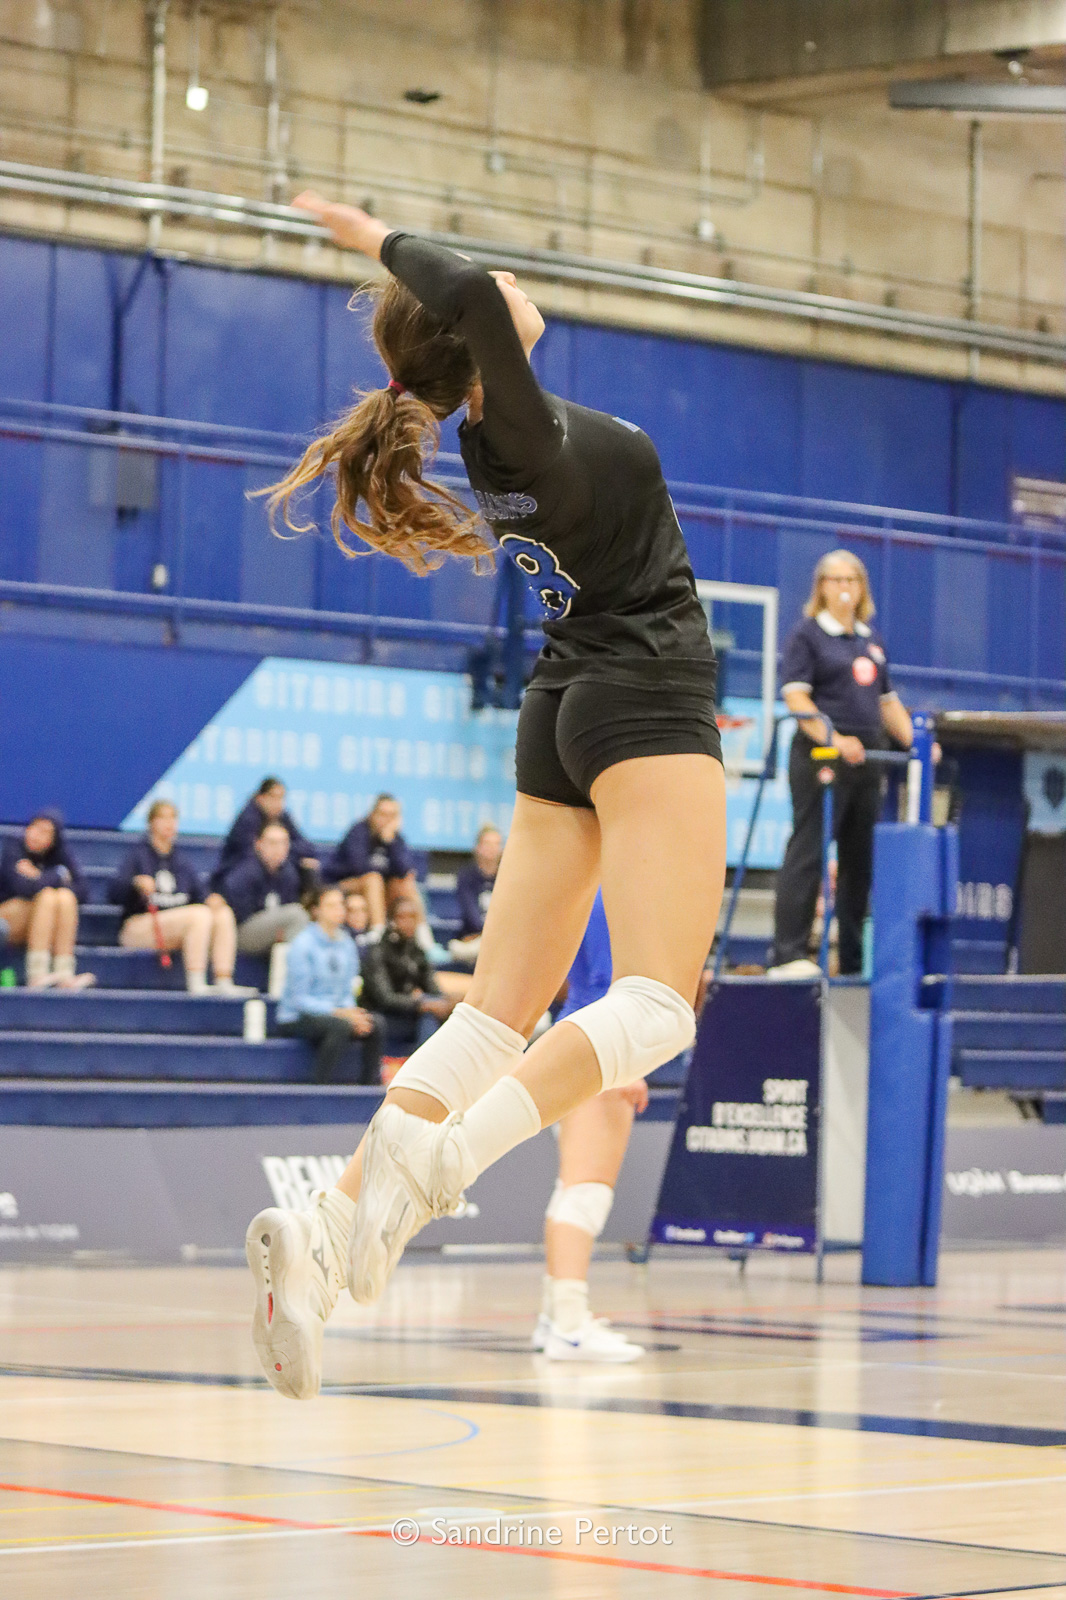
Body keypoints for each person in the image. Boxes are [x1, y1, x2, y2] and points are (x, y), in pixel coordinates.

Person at [245, 193, 725, 1402]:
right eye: (496, 288)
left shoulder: (497, 428)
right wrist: (368, 239)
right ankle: (444, 1163)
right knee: (660, 1005)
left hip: (563, 709)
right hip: (641, 694)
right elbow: (460, 290)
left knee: (492, 1018)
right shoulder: (506, 421)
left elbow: (466, 305)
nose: (511, 283)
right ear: (480, 340)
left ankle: (334, 1228)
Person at [769, 549, 914, 978]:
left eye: (852, 579)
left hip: (869, 761)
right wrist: (836, 738)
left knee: (860, 862)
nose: (845, 587)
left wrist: (920, 743)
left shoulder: (871, 641)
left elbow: (887, 704)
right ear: (821, 588)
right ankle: (789, 954)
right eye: (836, 580)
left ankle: (852, 961)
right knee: (809, 851)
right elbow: (796, 698)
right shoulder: (807, 636)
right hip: (822, 759)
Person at [533, 893, 645, 1363]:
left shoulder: (594, 882)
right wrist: (622, 1063)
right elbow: (603, 983)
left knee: (572, 1190)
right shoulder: (607, 891)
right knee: (586, 1193)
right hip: (596, 1043)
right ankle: (570, 1327)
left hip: (581, 1037)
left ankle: (556, 1317)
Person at [111, 799, 249, 995]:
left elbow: (199, 894)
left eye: (173, 818)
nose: (169, 823)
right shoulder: (137, 856)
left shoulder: (181, 861)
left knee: (223, 913)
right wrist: (135, 883)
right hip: (139, 926)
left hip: (175, 926)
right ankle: (196, 980)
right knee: (199, 915)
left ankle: (223, 979)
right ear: (151, 823)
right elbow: (114, 893)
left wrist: (211, 899)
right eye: (163, 817)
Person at [275, 884, 381, 1084]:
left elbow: (347, 990)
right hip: (297, 1017)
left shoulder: (347, 944)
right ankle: (320, 1086)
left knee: (375, 1024)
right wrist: (340, 1013)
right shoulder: (302, 944)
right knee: (339, 1026)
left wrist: (351, 1011)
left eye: (340, 905)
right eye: (331, 905)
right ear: (317, 910)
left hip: (335, 1013)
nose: (338, 910)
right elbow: (301, 1001)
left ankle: (369, 1089)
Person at [0, 812, 93, 989]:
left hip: (42, 924)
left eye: (44, 832)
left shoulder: (60, 855)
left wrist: (38, 877)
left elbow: (83, 892)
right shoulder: (13, 847)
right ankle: (37, 974)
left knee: (65, 898)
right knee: (46, 896)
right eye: (34, 828)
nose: (36, 835)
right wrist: (57, 876)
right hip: (9, 920)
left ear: (53, 840)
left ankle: (64, 974)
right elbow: (22, 888)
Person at [359, 897, 457, 1051]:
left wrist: (445, 1002)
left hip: (410, 1014)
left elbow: (433, 989)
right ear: (391, 921)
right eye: (402, 917)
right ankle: (426, 1066)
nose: (408, 922)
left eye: (413, 917)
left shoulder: (417, 951)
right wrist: (419, 1003)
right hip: (383, 1017)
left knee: (448, 1011)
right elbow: (386, 999)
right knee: (429, 1016)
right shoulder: (377, 951)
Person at [322, 794, 420, 936]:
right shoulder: (358, 831)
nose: (386, 820)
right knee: (373, 879)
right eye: (383, 814)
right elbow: (359, 867)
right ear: (372, 814)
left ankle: (422, 938)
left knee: (406, 883)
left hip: (379, 890)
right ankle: (378, 933)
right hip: (343, 886)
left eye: (392, 815)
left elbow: (404, 870)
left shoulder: (395, 838)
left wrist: (390, 843)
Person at [210, 778, 318, 892]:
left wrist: (288, 854)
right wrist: (286, 855)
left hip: (270, 871)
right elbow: (253, 854)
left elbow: (307, 847)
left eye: (281, 798)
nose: (278, 803)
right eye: (273, 797)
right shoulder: (247, 820)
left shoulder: (283, 816)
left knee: (308, 865)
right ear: (260, 798)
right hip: (237, 871)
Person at [221, 821, 309, 955]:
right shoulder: (245, 872)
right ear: (259, 844)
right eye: (272, 842)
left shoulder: (289, 873)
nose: (278, 848)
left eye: (283, 843)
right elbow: (238, 916)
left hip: (272, 931)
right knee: (296, 914)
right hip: (240, 933)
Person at [448, 824, 503, 965]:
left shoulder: (507, 878)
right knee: (457, 948)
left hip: (500, 939)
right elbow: (471, 914)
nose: (492, 848)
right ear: (478, 847)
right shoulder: (466, 876)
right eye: (487, 843)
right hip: (474, 937)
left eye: (496, 844)